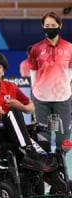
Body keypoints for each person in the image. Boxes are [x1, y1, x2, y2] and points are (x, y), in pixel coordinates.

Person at [0, 51, 66, 193]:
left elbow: (30, 108)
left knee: (44, 144)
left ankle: (56, 181)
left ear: (3, 72)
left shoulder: (10, 88)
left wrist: (20, 105)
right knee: (12, 114)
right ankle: (30, 151)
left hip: (15, 134)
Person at [29, 11, 72, 152]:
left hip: (62, 98)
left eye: (53, 25)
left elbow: (70, 71)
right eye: (47, 25)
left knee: (63, 137)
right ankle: (45, 167)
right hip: (41, 99)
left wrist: (65, 86)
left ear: (60, 25)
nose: (50, 27)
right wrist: (36, 91)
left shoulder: (69, 47)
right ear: (43, 26)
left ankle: (61, 165)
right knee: (43, 135)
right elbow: (33, 73)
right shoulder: (36, 48)